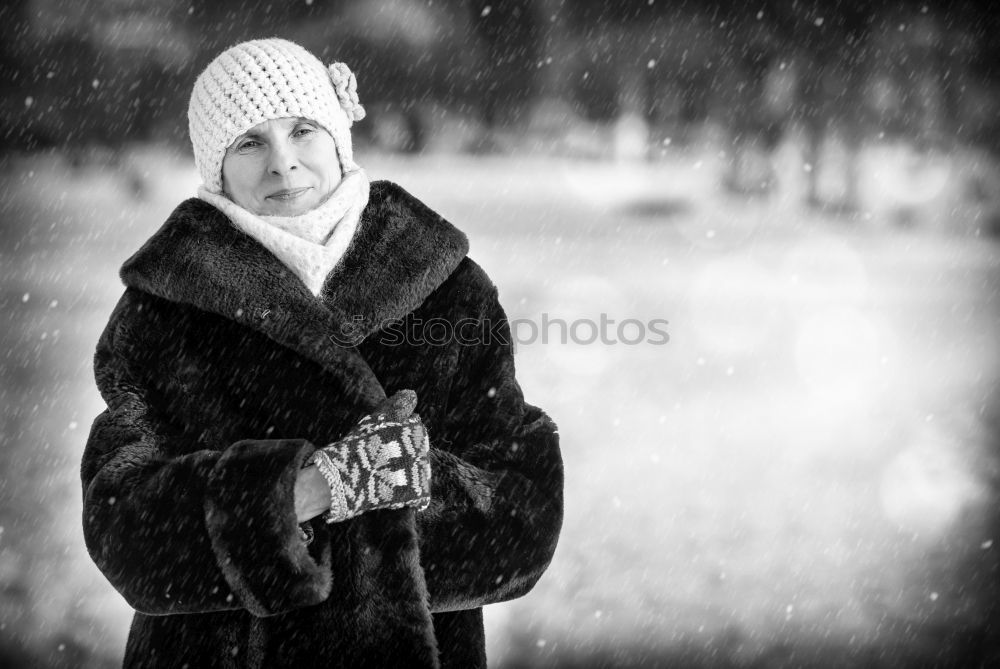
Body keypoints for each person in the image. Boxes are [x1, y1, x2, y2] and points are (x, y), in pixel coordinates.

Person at [81, 38, 563, 669]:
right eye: (249, 142)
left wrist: (409, 482)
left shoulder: (449, 289)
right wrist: (303, 492)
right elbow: (127, 535)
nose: (283, 163)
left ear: (338, 136)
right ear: (214, 168)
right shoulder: (158, 311)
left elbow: (521, 521)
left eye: (302, 129)